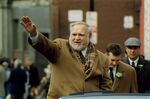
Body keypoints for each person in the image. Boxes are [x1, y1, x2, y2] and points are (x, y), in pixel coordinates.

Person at [20, 16, 112, 99]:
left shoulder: (102, 58)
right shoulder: (60, 47)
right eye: (74, 34)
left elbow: (106, 88)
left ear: (89, 36)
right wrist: (33, 33)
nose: (76, 38)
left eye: (81, 35)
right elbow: (45, 46)